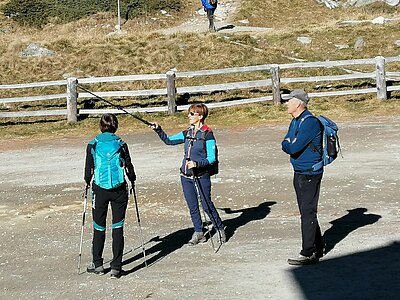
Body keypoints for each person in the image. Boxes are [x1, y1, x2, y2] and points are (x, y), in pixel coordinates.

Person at [150, 103, 226, 245]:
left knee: (206, 205)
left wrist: (197, 164)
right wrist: (158, 130)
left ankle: (220, 228)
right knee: (192, 206)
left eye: (192, 114)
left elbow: (211, 158)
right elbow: (169, 140)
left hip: (201, 175)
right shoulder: (188, 132)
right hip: (185, 176)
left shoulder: (208, 134)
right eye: (189, 113)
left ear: (200, 116)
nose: (189, 116)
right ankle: (199, 232)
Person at [84, 113, 136, 278]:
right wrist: (133, 180)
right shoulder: (121, 143)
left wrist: (87, 182)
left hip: (99, 190)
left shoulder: (93, 144)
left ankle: (98, 264)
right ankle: (116, 267)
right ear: (115, 126)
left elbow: (88, 171)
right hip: (119, 190)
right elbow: (128, 166)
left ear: (101, 126)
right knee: (117, 227)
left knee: (98, 227)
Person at [281, 89, 324, 265]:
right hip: (299, 171)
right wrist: (288, 143)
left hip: (309, 173)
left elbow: (292, 147)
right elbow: (286, 142)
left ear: (298, 103)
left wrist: (289, 144)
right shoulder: (295, 121)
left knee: (307, 212)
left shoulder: (309, 123)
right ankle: (318, 246)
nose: (286, 103)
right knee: (307, 210)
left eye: (289, 101)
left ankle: (308, 253)